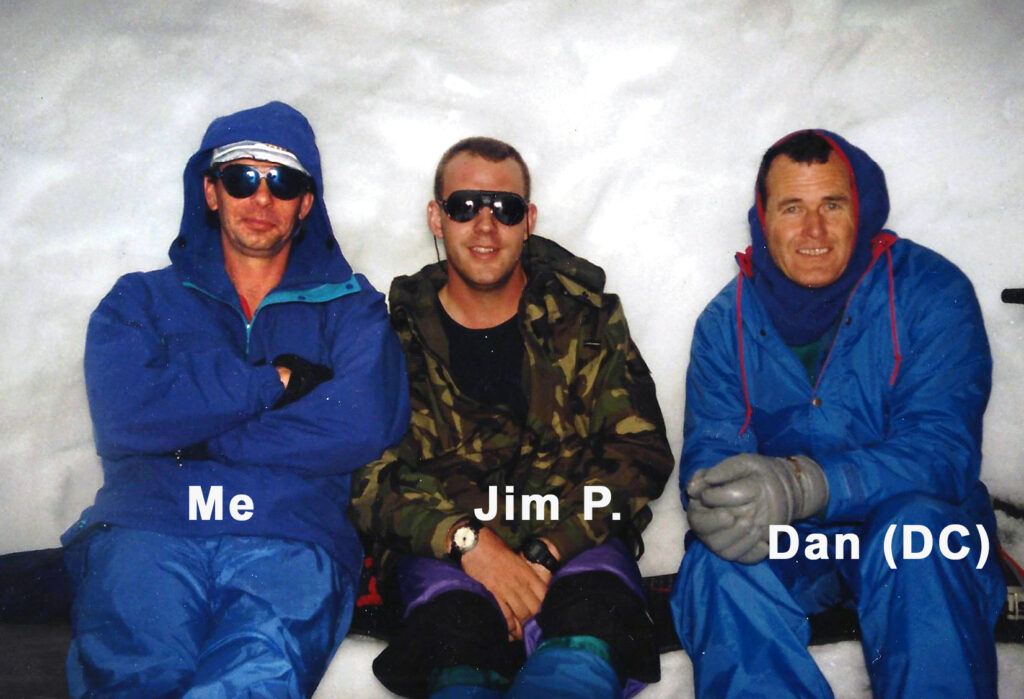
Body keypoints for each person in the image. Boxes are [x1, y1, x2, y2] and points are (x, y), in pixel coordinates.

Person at [62, 101, 410, 698]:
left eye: (284, 181)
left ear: (306, 202)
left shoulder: (351, 308)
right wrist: (270, 384)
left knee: (254, 680)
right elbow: (124, 416)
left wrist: (198, 436)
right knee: (135, 675)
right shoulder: (138, 302)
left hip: (288, 535)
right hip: (151, 527)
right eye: (242, 177)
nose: (262, 198)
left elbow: (361, 419)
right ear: (211, 190)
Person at [670, 129, 1006, 698]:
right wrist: (719, 501)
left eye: (832, 205)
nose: (814, 232)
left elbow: (942, 451)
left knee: (919, 536)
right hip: (797, 543)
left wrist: (810, 483)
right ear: (763, 218)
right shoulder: (724, 324)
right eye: (792, 208)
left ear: (862, 208)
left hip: (913, 529)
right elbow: (712, 451)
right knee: (718, 564)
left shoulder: (930, 292)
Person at [351, 137, 674, 698]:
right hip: (447, 561)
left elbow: (636, 456)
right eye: (464, 206)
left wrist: (546, 552)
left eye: (504, 209)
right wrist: (470, 545)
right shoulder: (389, 339)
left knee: (586, 644)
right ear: (436, 216)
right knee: (455, 650)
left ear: (529, 221)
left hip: (576, 550)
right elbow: (370, 476)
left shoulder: (587, 322)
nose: (484, 225)